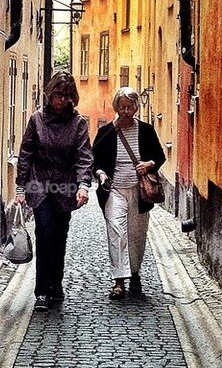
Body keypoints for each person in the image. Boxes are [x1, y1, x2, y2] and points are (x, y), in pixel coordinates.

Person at [15, 71, 93, 311]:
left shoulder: (78, 123)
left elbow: (84, 156)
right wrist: (21, 186)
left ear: (72, 98)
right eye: (57, 95)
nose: (60, 100)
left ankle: (56, 284)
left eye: (65, 96)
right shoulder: (37, 119)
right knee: (45, 232)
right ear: (50, 94)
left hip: (65, 185)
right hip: (39, 183)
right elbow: (26, 152)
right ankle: (42, 292)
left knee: (60, 236)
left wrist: (83, 185)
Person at [92, 87, 166, 299]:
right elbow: (93, 160)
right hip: (114, 189)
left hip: (139, 190)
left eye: (129, 107)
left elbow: (160, 156)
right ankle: (119, 281)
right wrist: (101, 173)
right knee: (117, 232)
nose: (125, 111)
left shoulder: (146, 130)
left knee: (136, 235)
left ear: (136, 108)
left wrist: (149, 164)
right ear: (116, 107)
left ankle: (134, 273)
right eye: (121, 107)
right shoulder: (106, 132)